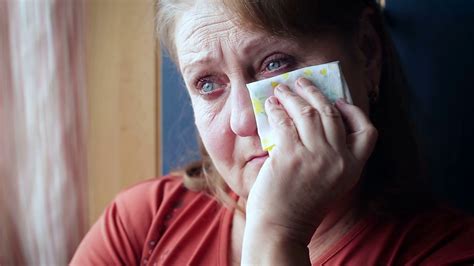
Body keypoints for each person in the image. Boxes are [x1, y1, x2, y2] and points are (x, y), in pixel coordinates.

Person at [71, 0, 474, 264]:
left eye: (274, 64)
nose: (243, 122)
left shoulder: (447, 253)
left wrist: (277, 234)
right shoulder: (141, 224)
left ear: (366, 51)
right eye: (208, 84)